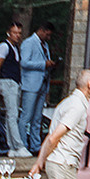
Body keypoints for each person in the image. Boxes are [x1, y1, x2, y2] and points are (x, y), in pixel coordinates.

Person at [0, 21, 27, 156]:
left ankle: (12, 147)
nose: (17, 35)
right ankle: (19, 146)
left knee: (10, 116)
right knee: (13, 115)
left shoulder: (15, 48)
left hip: (14, 83)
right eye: (14, 33)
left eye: (19, 33)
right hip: (7, 82)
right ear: (8, 33)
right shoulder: (4, 47)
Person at [19, 20, 53, 149]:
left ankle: (35, 145)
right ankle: (22, 144)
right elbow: (24, 63)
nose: (48, 38)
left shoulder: (45, 45)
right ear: (41, 30)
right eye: (47, 34)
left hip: (43, 83)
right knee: (26, 116)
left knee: (38, 117)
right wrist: (43, 64)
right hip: (31, 84)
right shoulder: (29, 43)